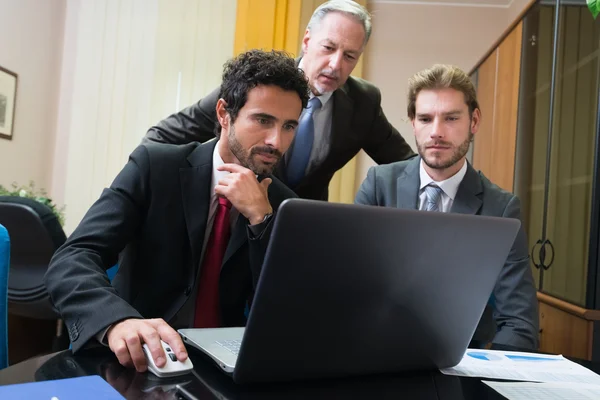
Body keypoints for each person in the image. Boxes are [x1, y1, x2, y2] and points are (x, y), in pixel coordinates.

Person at [44, 50, 310, 372]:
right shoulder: (155, 167)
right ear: (224, 113)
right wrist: (117, 321)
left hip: (222, 371)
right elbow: (74, 256)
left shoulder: (282, 204)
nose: (276, 141)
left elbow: (291, 312)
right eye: (263, 120)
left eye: (289, 126)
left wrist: (261, 221)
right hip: (136, 360)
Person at [143, 0, 415, 201]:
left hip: (302, 228)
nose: (335, 65)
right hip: (235, 220)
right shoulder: (257, 84)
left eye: (349, 56)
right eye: (329, 48)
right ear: (307, 41)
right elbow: (160, 139)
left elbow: (407, 167)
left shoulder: (363, 102)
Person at [355, 64, 539, 350]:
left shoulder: (501, 209)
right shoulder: (379, 186)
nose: (436, 132)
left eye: (451, 118)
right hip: (378, 351)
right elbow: (353, 288)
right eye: (425, 119)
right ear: (412, 122)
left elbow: (519, 323)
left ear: (474, 121)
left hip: (462, 361)